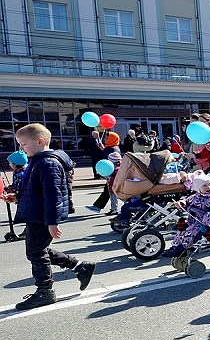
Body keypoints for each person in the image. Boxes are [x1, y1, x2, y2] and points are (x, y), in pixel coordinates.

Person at [2, 124, 96, 310]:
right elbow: (35, 190)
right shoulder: (38, 160)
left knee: (36, 252)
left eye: (23, 144)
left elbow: (53, 194)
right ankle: (79, 266)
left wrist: (52, 221)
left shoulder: (47, 163)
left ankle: (45, 291)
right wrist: (17, 197)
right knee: (38, 250)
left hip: (42, 216)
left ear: (40, 141)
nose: (21, 148)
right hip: (36, 214)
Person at [162, 173, 210, 258]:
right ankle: (175, 246)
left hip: (203, 222)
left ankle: (182, 247)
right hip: (193, 220)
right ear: (198, 188)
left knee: (191, 232)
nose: (208, 187)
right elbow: (187, 200)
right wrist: (181, 203)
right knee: (181, 230)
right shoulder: (196, 196)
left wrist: (207, 220)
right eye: (205, 186)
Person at [87, 131, 121, 214]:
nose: (105, 139)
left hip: (112, 173)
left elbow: (111, 160)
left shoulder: (113, 149)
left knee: (110, 191)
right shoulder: (111, 147)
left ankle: (101, 207)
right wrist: (103, 149)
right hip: (110, 173)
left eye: (107, 137)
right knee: (108, 191)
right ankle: (98, 207)